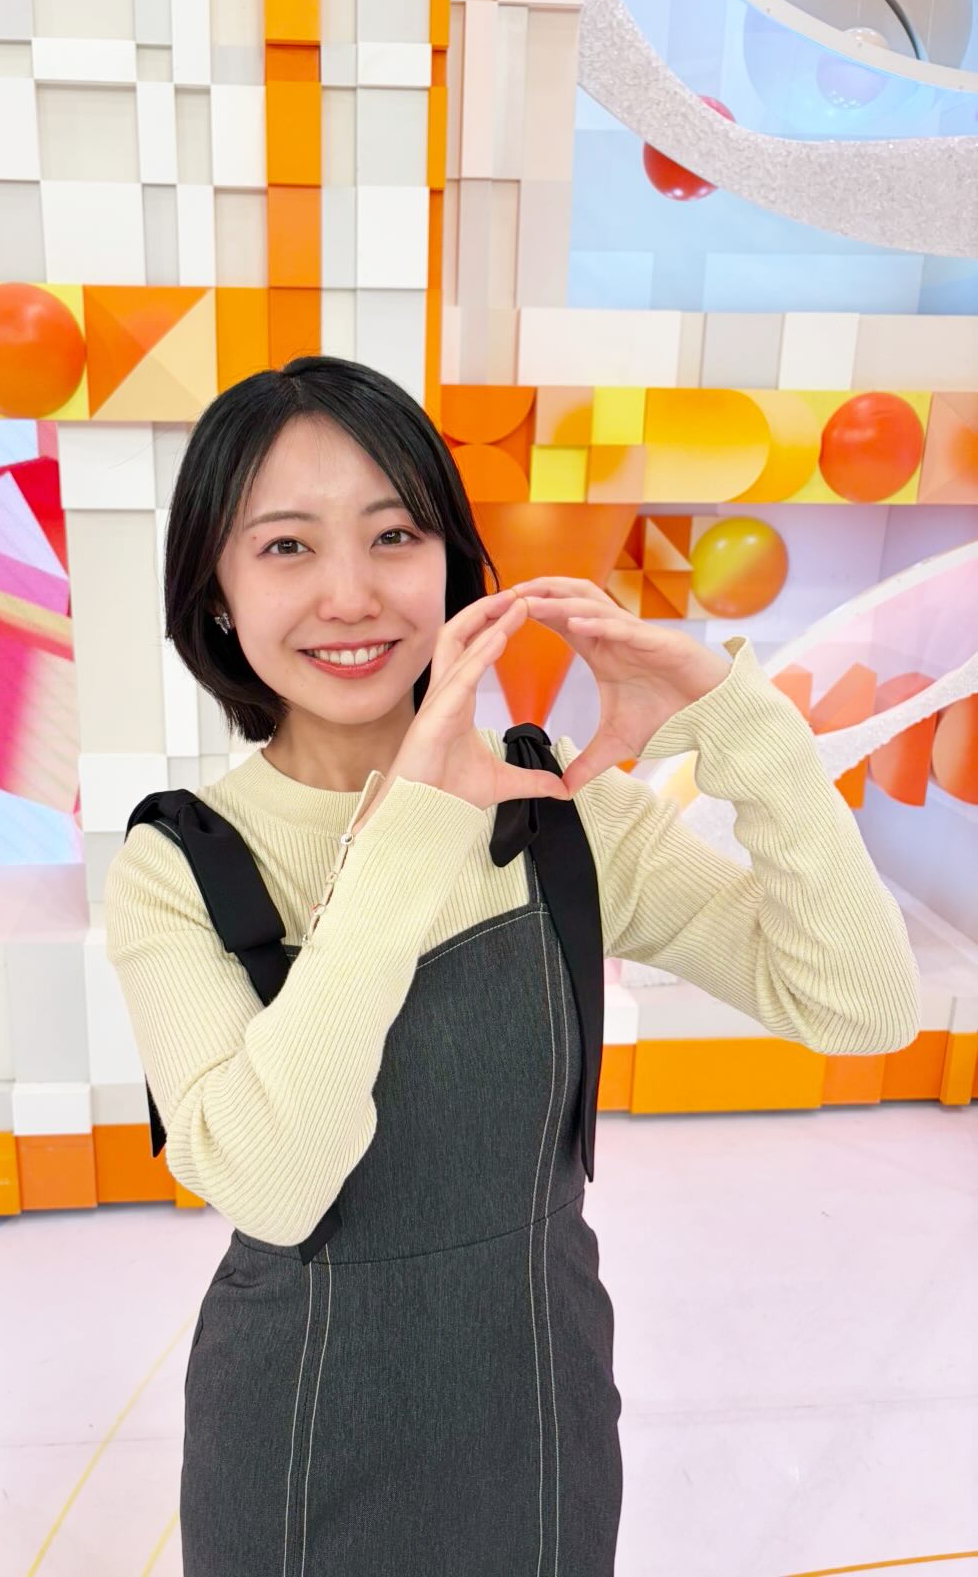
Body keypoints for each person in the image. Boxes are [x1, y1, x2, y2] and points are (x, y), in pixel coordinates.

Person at [104, 355, 920, 1575]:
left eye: (394, 535)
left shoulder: (560, 809)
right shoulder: (178, 866)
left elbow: (859, 1007)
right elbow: (275, 1186)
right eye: (285, 547)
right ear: (215, 593)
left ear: (451, 565)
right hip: (300, 1426)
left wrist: (746, 726)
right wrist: (414, 828)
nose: (349, 594)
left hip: (540, 1408)